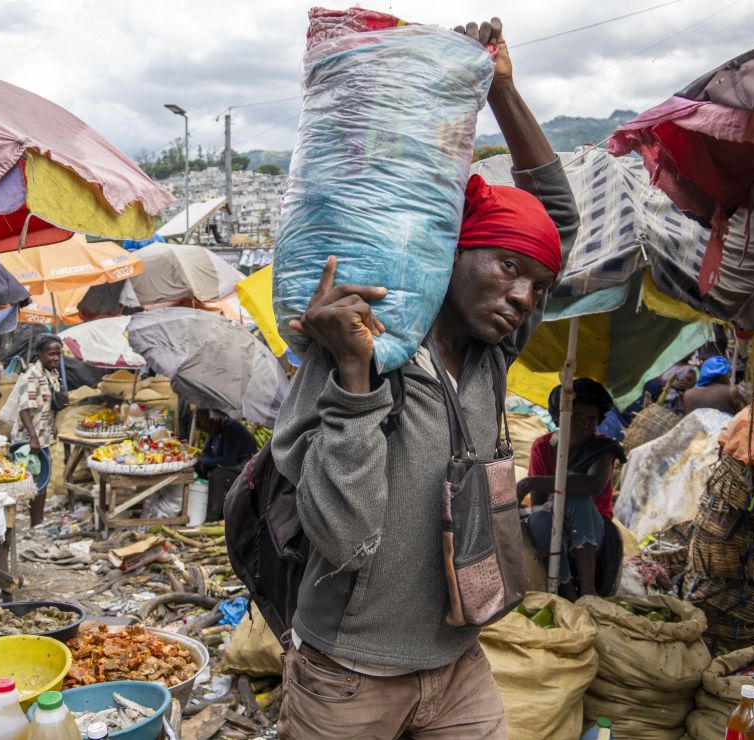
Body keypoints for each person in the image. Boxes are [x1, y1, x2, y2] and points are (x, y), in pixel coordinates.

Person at [271, 18, 579, 737]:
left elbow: (555, 220)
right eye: (509, 268)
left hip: (459, 661)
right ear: (451, 253)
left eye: (537, 286)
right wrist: (352, 377)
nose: (523, 298)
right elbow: (343, 539)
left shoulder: (491, 351)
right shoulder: (361, 351)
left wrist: (502, 87)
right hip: (350, 677)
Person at [517, 379, 624, 601]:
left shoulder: (603, 449)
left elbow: (592, 484)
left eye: (591, 419)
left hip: (596, 537)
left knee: (575, 496)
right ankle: (567, 592)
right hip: (553, 530)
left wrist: (530, 482)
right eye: (576, 415)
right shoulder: (543, 447)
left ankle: (588, 591)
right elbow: (538, 504)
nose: (583, 423)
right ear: (558, 416)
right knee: (538, 516)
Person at [12, 333, 65, 525]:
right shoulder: (32, 376)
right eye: (51, 354)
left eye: (58, 354)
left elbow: (48, 404)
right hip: (29, 439)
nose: (55, 358)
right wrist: (32, 437)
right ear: (40, 353)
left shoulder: (52, 374)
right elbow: (24, 409)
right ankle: (26, 522)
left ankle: (37, 522)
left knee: (41, 480)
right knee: (27, 481)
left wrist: (54, 426)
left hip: (44, 435)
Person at [195, 409, 258, 521]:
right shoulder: (214, 431)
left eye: (206, 426)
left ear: (213, 419)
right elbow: (204, 454)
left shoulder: (230, 427)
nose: (207, 433)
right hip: (227, 467)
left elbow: (228, 460)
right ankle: (198, 510)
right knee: (196, 467)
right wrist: (204, 463)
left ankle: (211, 518)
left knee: (217, 475)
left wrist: (206, 463)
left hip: (243, 472)